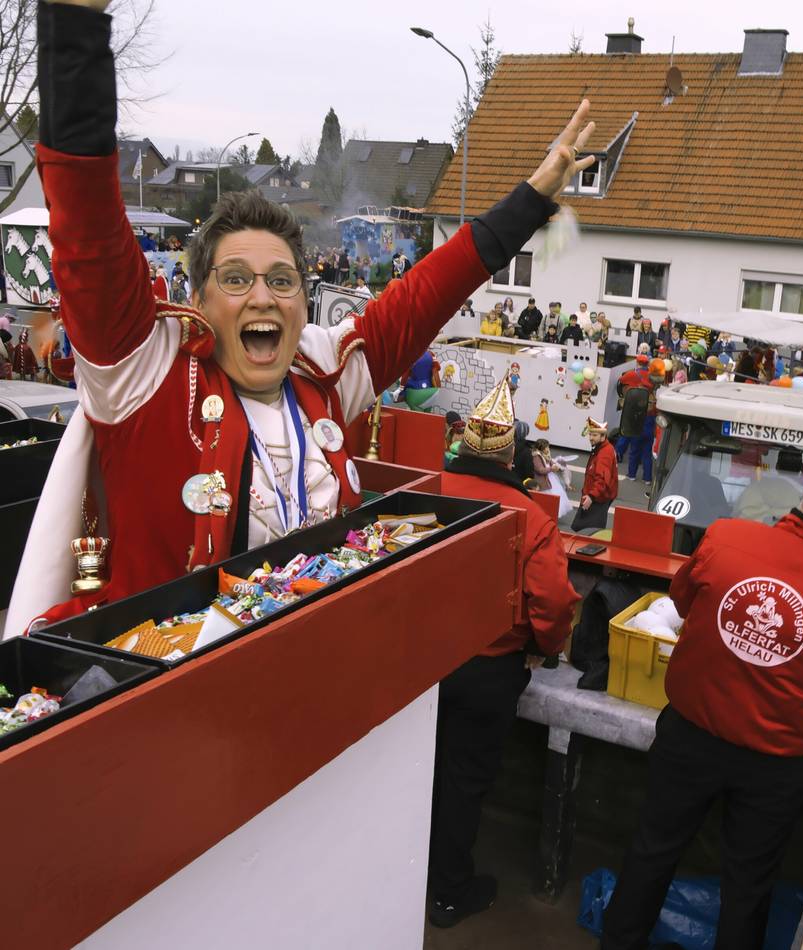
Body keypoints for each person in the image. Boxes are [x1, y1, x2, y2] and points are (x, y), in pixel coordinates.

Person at [4, 0, 598, 637]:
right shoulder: (145, 374)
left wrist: (532, 199)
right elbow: (88, 226)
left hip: (310, 688)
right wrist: (75, 29)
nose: (263, 297)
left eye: (282, 281)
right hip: (165, 704)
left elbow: (425, 294)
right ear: (197, 301)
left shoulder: (324, 370)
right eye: (235, 279)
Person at [601, 432, 803, 950]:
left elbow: (681, 604)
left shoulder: (724, 537)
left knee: (651, 851)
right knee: (748, 887)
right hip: (777, 761)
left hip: (691, 733)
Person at [435, 377, 579, 928]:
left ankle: (401, 873)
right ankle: (447, 893)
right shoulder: (532, 519)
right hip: (488, 670)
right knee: (465, 780)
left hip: (417, 665)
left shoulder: (428, 488)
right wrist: (542, 649)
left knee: (416, 772)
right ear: (512, 455)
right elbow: (555, 602)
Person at [571, 417, 617, 532]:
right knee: (586, 531)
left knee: (587, 532)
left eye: (595, 435)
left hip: (596, 499)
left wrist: (591, 496)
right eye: (590, 434)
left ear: (603, 436)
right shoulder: (603, 448)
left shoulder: (604, 454)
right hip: (597, 496)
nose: (591, 438)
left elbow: (602, 479)